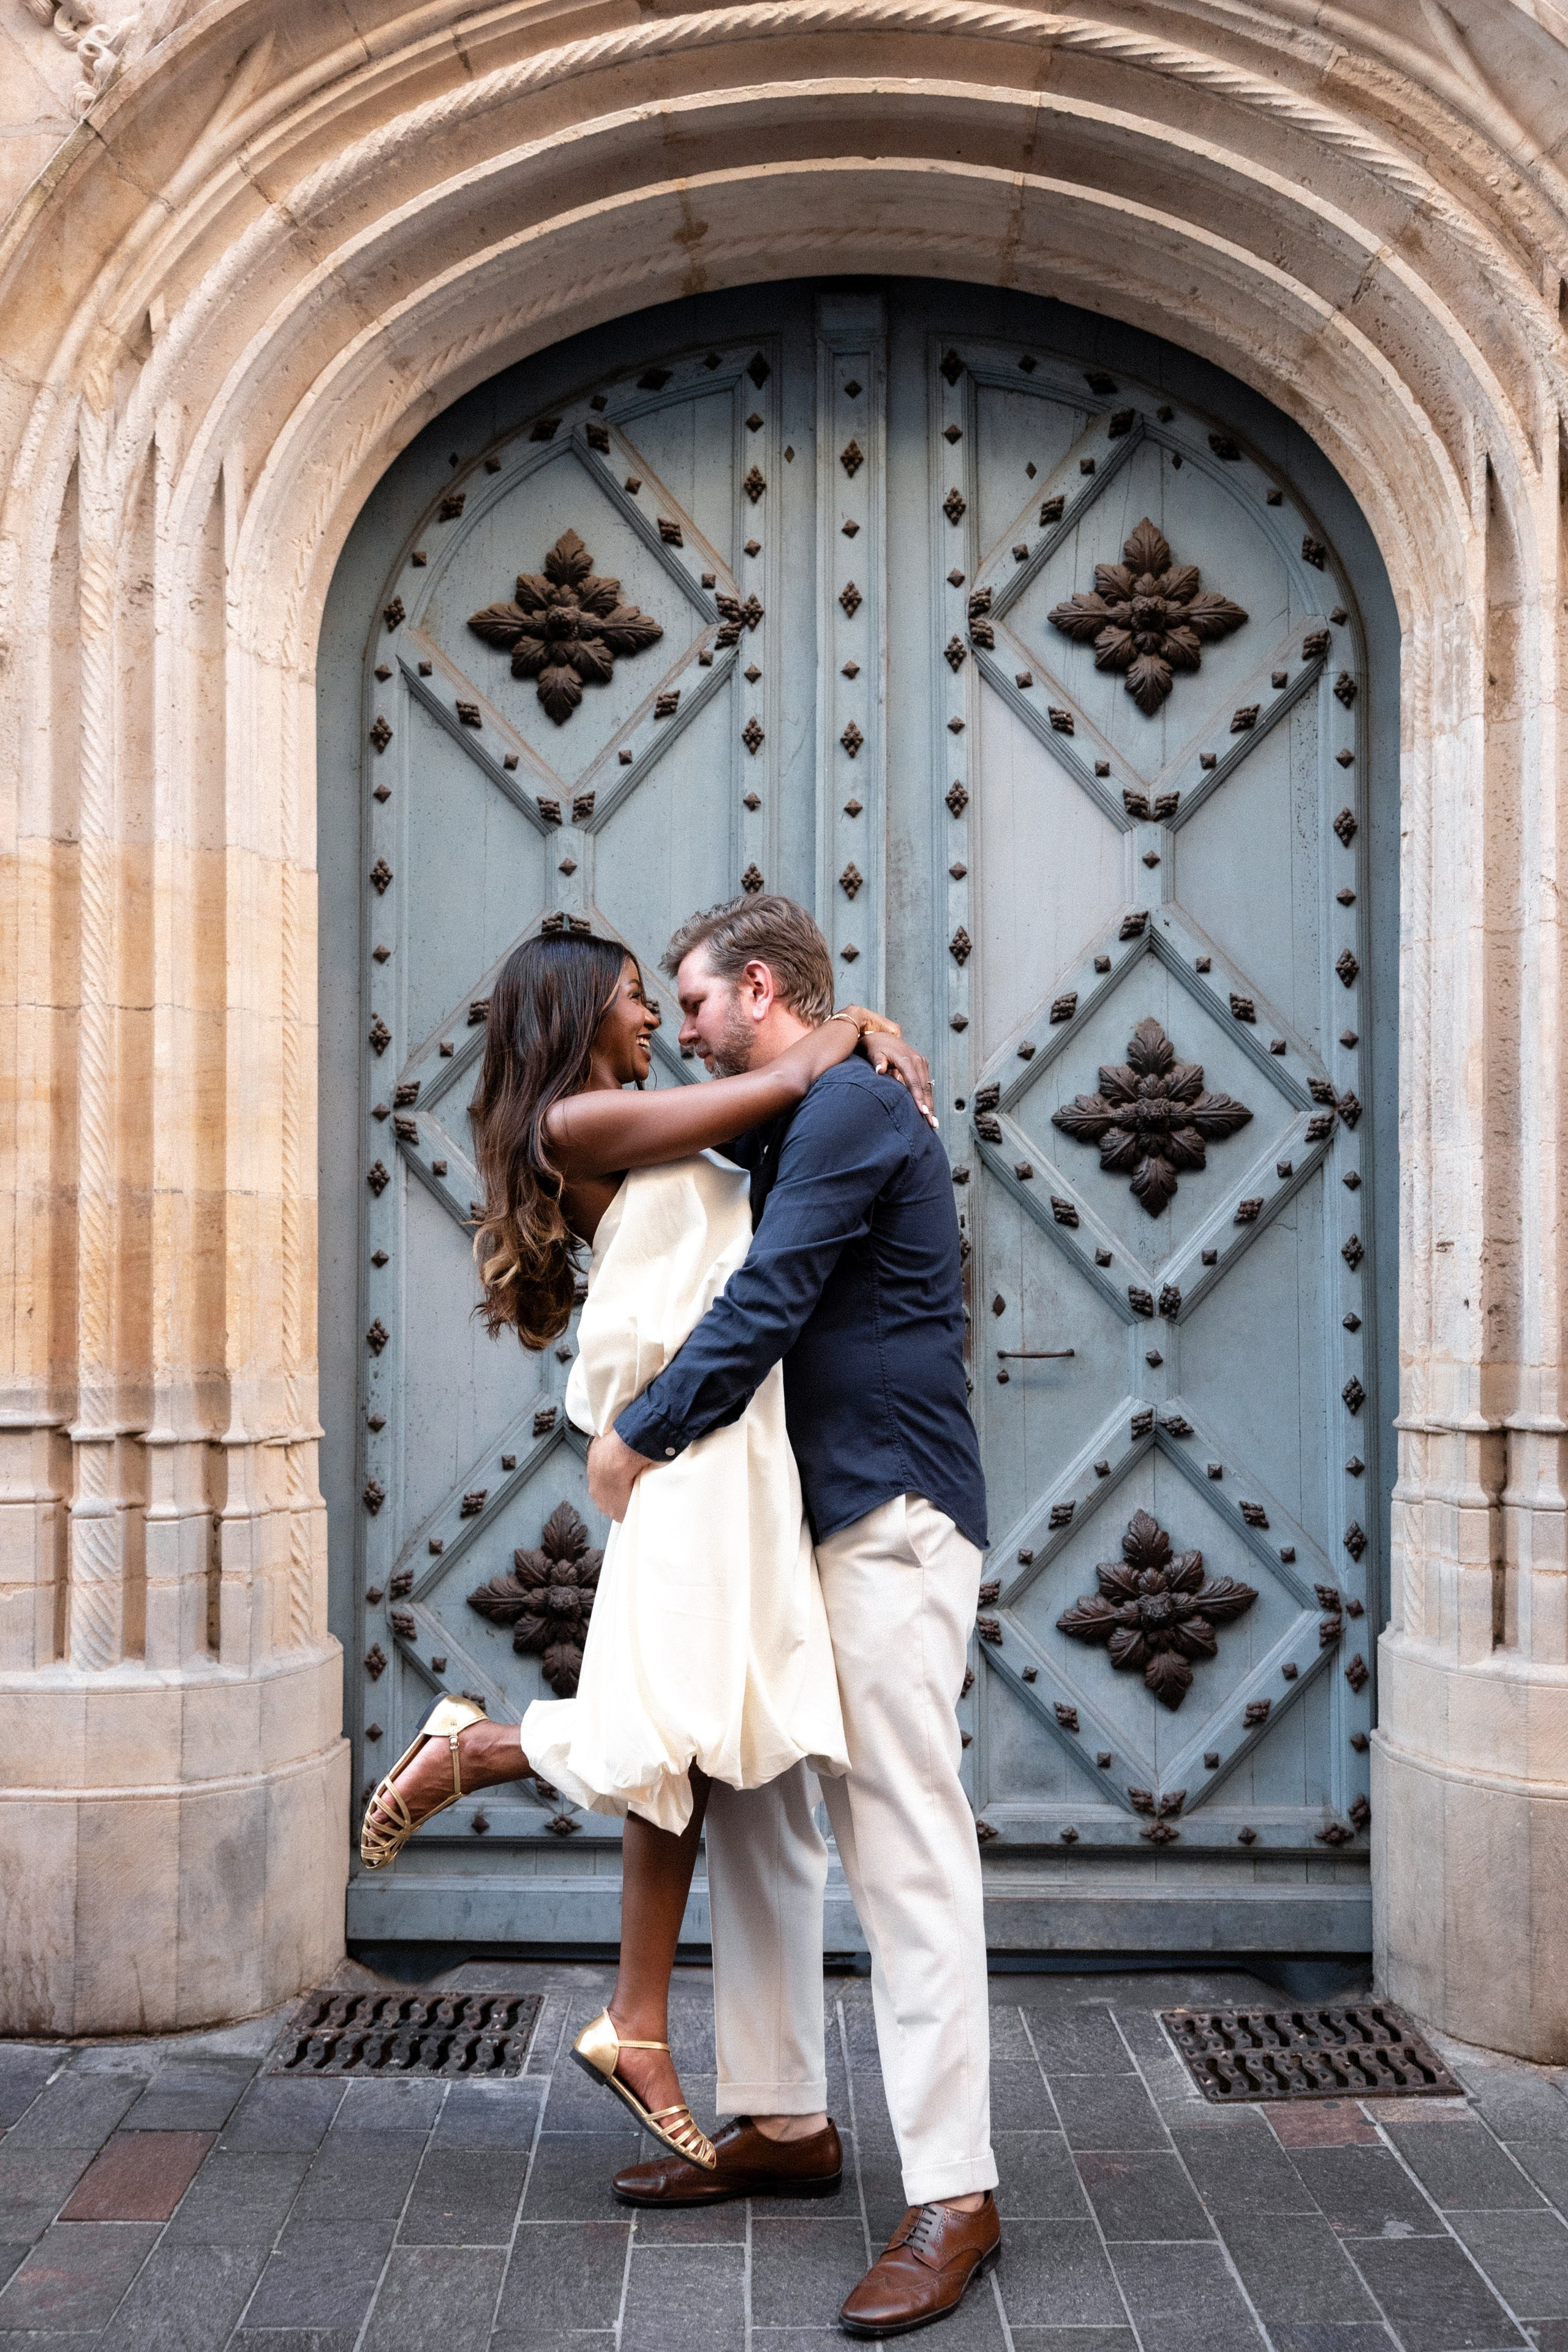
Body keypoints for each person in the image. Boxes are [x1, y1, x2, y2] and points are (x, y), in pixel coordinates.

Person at [357, 927, 933, 2178]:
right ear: (575, 1018)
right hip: (687, 1450)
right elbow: (793, 1080)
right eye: (634, 1000)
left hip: (733, 1446)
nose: (657, 1022)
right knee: (681, 1729)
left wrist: (852, 1044)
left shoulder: (642, 1122)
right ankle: (482, 1755)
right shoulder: (577, 1124)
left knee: (708, 1738)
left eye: (664, 1000)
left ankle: (651, 2028)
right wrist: (861, 1027)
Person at [589, 894, 1000, 2339]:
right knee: (755, 1807)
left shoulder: (852, 1115)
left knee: (903, 1847)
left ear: (758, 989)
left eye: (699, 1006)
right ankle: (781, 2122)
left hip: (887, 1515)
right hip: (791, 1530)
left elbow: (768, 1297)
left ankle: (954, 2194)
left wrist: (637, 1434)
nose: (684, 1035)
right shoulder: (801, 1107)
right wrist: (846, 1026)